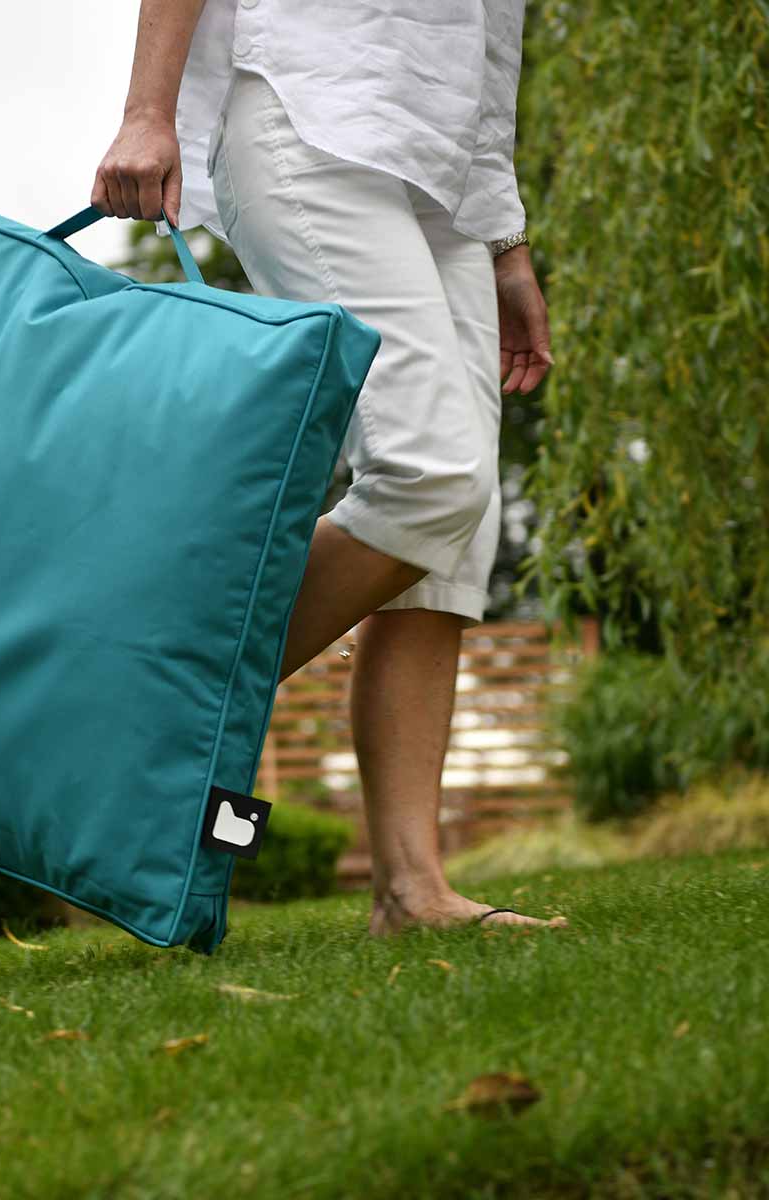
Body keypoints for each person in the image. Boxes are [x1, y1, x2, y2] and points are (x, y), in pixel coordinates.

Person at [92, 0, 567, 934]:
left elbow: (488, 39)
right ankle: (129, 712)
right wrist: (147, 111)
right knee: (430, 476)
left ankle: (412, 890)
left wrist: (504, 240)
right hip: (311, 117)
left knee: (452, 539)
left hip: (446, 183)